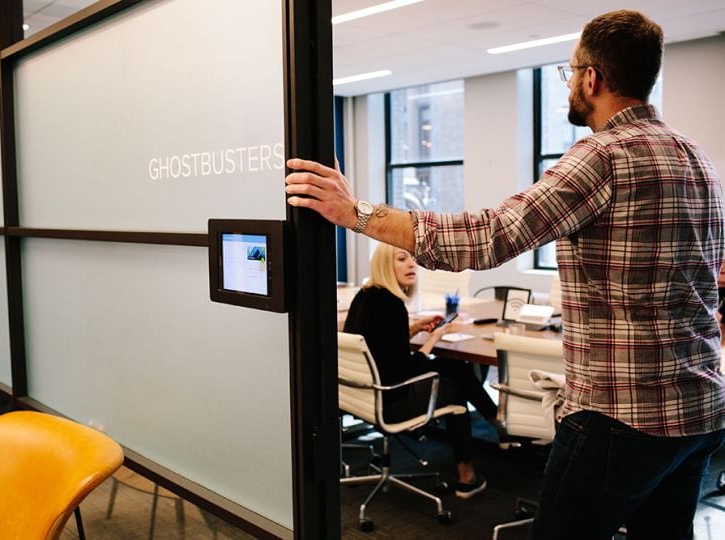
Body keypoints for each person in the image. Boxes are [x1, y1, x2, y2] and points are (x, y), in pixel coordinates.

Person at [285, 9, 725, 539]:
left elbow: (488, 236)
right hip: (700, 410)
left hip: (620, 415)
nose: (570, 87)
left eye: (569, 73)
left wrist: (354, 213)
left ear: (593, 78)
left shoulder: (603, 155)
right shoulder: (697, 159)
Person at [344, 242, 499, 498]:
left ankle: (491, 424)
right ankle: (471, 468)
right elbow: (405, 369)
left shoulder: (367, 296)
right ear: (385, 264)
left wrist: (415, 327)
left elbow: (382, 347)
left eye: (413, 259)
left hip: (365, 395)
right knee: (456, 386)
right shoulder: (391, 304)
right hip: (392, 399)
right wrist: (433, 339)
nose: (412, 264)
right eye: (401, 259)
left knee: (453, 367)